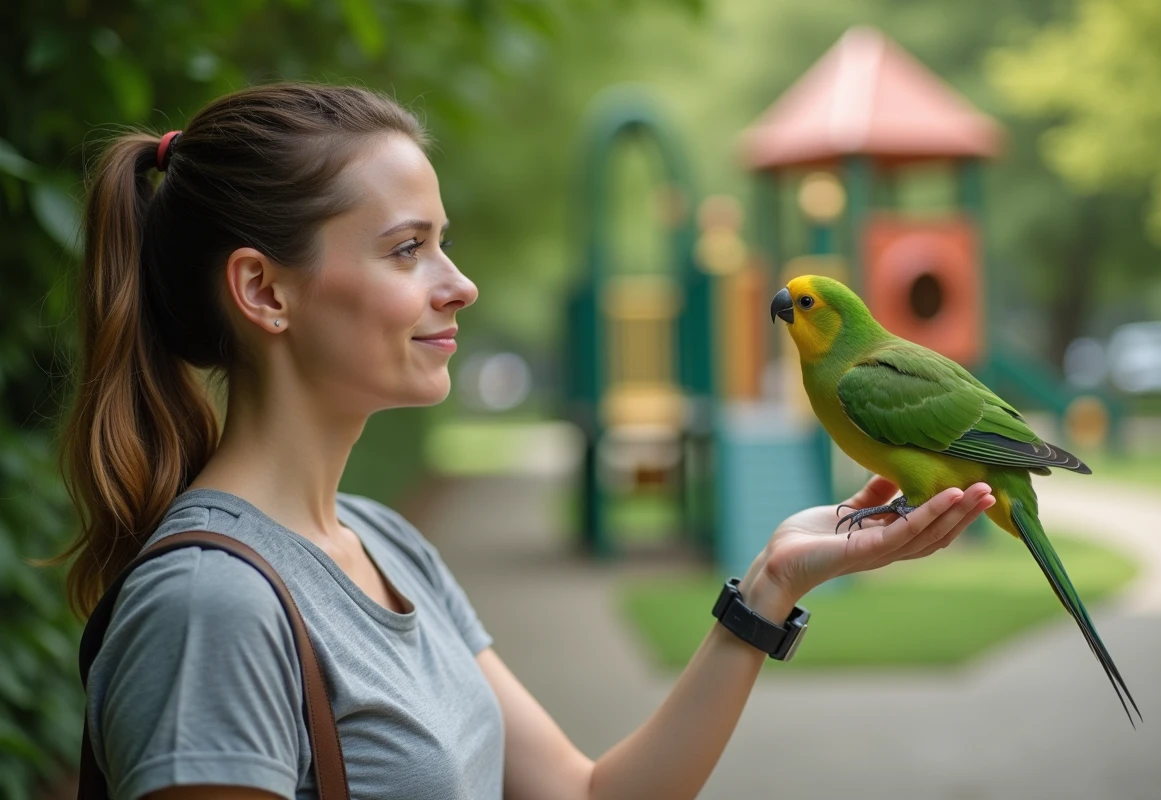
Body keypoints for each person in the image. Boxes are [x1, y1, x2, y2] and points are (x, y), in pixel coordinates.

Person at [56, 81, 995, 800]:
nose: (459, 285)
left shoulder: (384, 543)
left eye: (444, 243)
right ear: (264, 291)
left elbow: (590, 793)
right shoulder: (210, 610)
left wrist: (770, 587)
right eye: (405, 248)